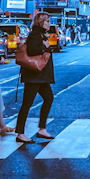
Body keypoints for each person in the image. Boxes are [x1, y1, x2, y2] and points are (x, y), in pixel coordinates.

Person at [15, 13, 56, 144]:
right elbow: (32, 51)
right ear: (41, 22)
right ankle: (20, 133)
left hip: (40, 76)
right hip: (34, 76)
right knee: (27, 104)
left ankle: (42, 129)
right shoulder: (35, 35)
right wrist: (46, 47)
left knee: (48, 98)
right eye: (47, 21)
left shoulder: (41, 35)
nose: (49, 24)